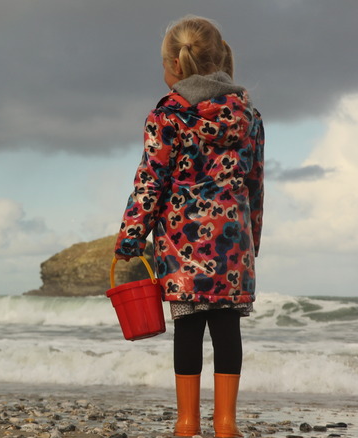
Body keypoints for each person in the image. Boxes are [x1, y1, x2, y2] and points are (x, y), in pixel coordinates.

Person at [113, 15, 264, 438]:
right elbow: (255, 184)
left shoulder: (166, 117)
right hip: (232, 245)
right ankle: (228, 423)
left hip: (182, 249)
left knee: (188, 329)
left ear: (174, 67)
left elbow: (150, 180)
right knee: (228, 329)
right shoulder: (248, 116)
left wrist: (130, 236)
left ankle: (186, 423)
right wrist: (253, 238)